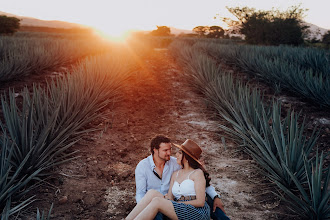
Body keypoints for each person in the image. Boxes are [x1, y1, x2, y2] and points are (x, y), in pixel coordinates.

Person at [132, 135, 229, 220]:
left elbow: (204, 184)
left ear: (186, 158)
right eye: (165, 150)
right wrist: (145, 208)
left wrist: (216, 196)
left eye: (170, 149)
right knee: (152, 195)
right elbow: (140, 193)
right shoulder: (143, 166)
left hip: (177, 204)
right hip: (162, 202)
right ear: (155, 150)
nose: (170, 153)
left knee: (209, 198)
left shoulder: (175, 163)